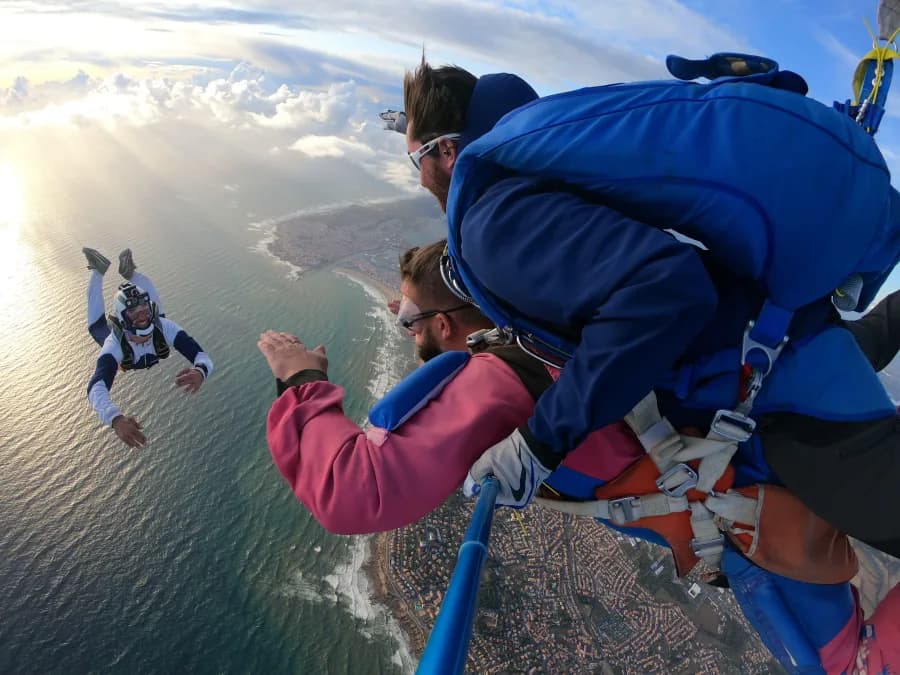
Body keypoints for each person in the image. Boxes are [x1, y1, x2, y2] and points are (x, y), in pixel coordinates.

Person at [260, 241, 900, 672]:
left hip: (768, 520)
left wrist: (300, 382)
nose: (411, 332)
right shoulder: (569, 334)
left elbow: (355, 490)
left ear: (448, 320)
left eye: (409, 318)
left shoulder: (498, 376)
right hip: (783, 430)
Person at [396, 57, 900, 562]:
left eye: (415, 159)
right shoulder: (533, 189)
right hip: (781, 340)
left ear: (447, 151)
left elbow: (665, 290)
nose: (418, 180)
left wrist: (539, 442)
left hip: (788, 390)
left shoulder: (490, 223)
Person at [82, 247, 213, 448]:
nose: (142, 317)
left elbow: (201, 357)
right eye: (134, 313)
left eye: (144, 310)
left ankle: (115, 272)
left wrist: (200, 371)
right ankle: (106, 273)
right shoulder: (115, 344)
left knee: (153, 316)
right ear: (124, 318)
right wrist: (115, 419)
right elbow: (95, 388)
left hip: (145, 339)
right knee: (98, 327)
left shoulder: (163, 327)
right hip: (130, 344)